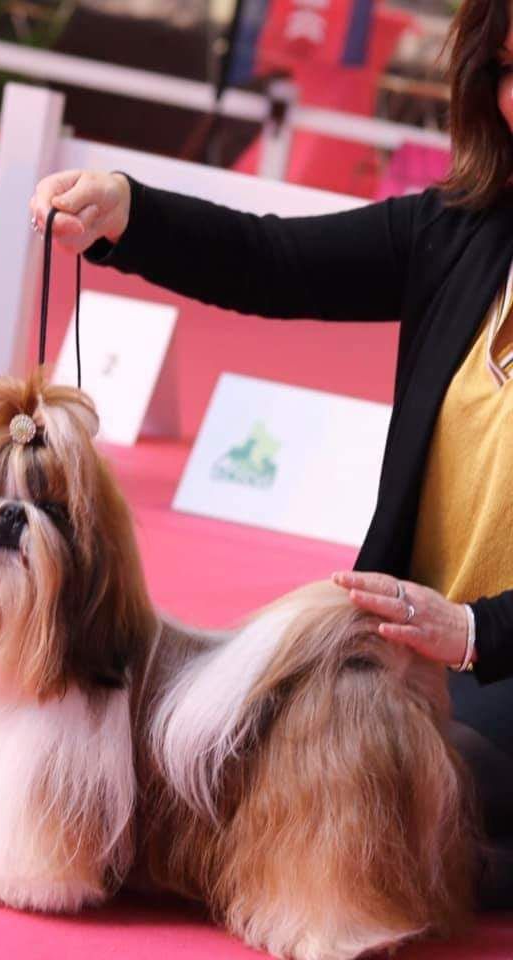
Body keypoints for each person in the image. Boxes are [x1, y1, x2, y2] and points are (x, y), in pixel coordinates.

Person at [30, 0, 513, 907]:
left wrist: (480, 633)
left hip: (495, 665)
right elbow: (275, 259)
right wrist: (131, 212)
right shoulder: (460, 232)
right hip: (405, 661)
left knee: (406, 785)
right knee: (253, 752)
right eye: (510, 70)